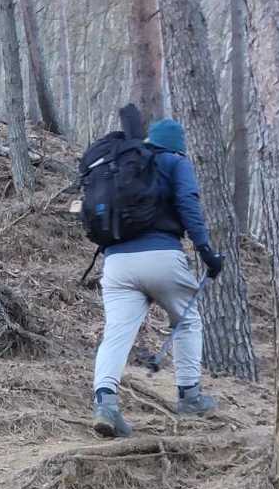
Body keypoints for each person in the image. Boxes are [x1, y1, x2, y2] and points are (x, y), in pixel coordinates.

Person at [90, 117, 226, 437]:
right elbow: (188, 204)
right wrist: (205, 250)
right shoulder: (175, 163)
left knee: (116, 334)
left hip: (116, 262)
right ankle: (189, 396)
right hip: (162, 256)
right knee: (186, 321)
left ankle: (105, 404)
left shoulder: (124, 164)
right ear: (178, 147)